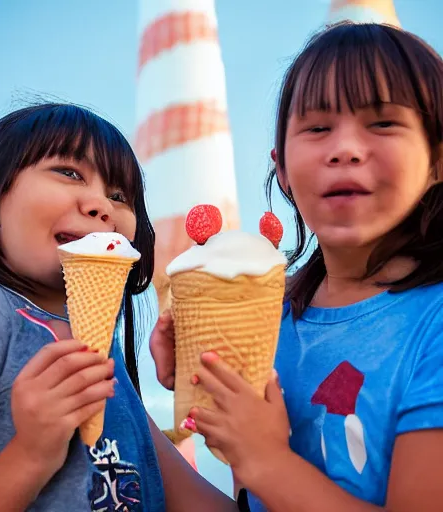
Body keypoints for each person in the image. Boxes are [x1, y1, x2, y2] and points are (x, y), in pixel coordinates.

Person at [151, 22, 443, 511]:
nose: (345, 148)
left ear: (437, 159)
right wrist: (138, 388)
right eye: (318, 127)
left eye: (383, 123)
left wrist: (264, 457)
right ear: (281, 166)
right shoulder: (270, 320)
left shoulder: (432, 322)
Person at [0, 103, 236, 511]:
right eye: (69, 172)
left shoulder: (103, 352)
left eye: (119, 195)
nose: (102, 206)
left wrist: (235, 414)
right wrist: (30, 456)